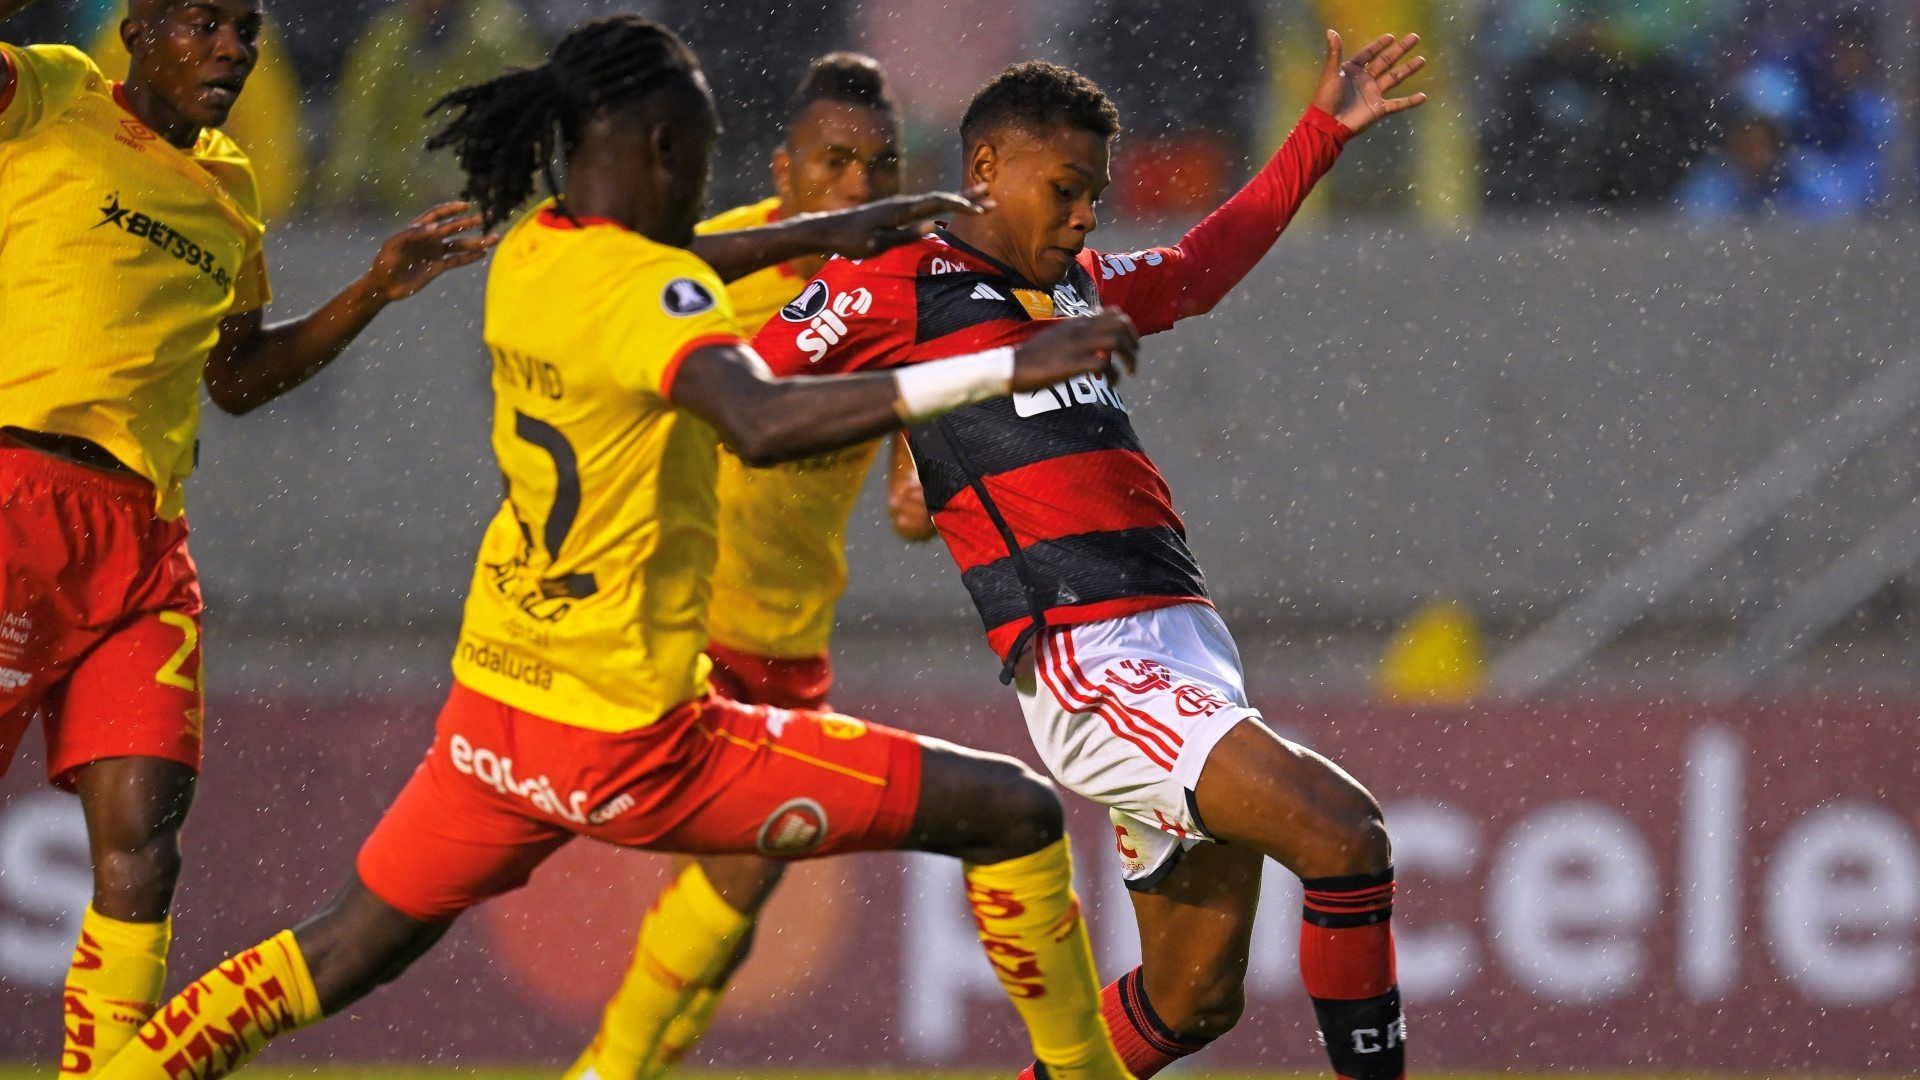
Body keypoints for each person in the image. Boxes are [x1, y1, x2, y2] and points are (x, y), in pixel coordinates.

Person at [96, 16, 1146, 1080]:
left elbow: (670, 261)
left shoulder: (535, 254)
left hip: (494, 720)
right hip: (633, 743)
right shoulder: (660, 299)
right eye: (695, 157)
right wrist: (1006, 369)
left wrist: (841, 226)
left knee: (336, 948)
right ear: (661, 153)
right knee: (1009, 813)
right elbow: (762, 420)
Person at [750, 36, 1425, 1080]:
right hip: (1088, 658)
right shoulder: (894, 281)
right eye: (1064, 189)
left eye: (1094, 196)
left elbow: (1197, 270)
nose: (1084, 216)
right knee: (1344, 835)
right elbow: (735, 385)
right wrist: (900, 432)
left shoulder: (1073, 290)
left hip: (1188, 650)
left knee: (1191, 1000)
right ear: (985, 170)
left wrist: (1320, 134)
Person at [0, 0, 490, 1074]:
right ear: (137, 31)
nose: (234, 50)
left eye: (248, 32)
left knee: (143, 855)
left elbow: (236, 381)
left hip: (142, 547)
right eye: (206, 26)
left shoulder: (231, 185)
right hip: (16, 498)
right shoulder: (51, 97)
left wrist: (370, 289)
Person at [565, 51, 939, 1080]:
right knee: (713, 854)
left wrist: (925, 489)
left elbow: (915, 487)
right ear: (784, 172)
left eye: (880, 165)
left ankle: (632, 1061)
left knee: (749, 876)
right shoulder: (704, 262)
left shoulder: (910, 295)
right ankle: (617, 1061)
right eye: (834, 163)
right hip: (666, 623)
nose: (859, 187)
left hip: (786, 636)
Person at [320, 0, 544, 215]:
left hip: (477, 200)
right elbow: (360, 119)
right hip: (399, 200)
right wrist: (349, 185)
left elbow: (524, 115)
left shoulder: (497, 31)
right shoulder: (388, 38)